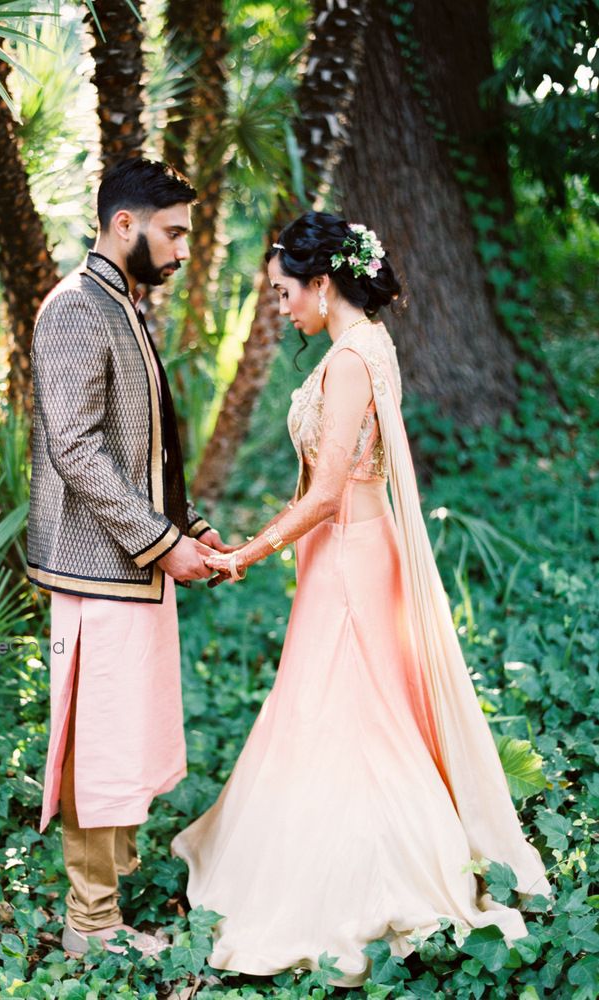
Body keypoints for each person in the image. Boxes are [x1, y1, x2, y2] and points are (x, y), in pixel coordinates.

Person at [172, 211, 550, 986]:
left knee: (341, 712)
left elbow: (324, 493)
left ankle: (360, 876)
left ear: (321, 281)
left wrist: (245, 551)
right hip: (351, 548)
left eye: (284, 292)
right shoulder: (370, 342)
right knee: (345, 705)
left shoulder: (349, 359)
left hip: (346, 554)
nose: (281, 307)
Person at [26, 157, 231, 958]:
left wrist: (191, 528)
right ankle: (90, 925)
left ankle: (110, 891)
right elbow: (76, 452)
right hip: (96, 568)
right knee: (98, 741)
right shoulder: (75, 308)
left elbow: (144, 447)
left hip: (132, 565)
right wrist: (161, 543)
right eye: (173, 231)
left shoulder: (123, 306)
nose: (183, 249)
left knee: (126, 733)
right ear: (124, 224)